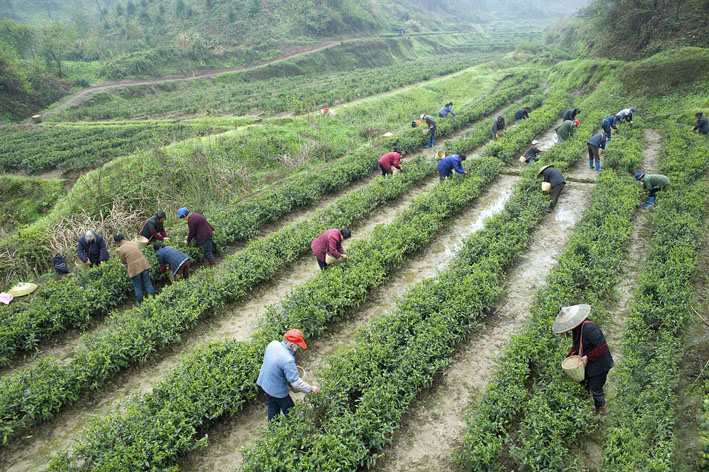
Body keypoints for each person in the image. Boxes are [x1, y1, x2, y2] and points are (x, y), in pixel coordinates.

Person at [552, 304, 614, 415]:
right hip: (591, 364)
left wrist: (587, 357)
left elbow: (603, 347)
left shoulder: (589, 328)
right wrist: (570, 355)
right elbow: (577, 345)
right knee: (585, 384)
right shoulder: (576, 329)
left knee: (596, 388)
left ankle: (602, 413)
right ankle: (589, 410)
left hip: (600, 364)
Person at [256, 329, 321, 422]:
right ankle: (295, 430)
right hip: (276, 389)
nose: (298, 347)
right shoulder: (288, 359)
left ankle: (273, 430)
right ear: (291, 345)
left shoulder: (273, 344)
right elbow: (296, 383)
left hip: (265, 384)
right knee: (291, 411)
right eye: (297, 345)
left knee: (273, 408)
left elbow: (273, 362)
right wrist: (311, 388)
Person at [114, 233, 155, 304]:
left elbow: (124, 262)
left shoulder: (120, 250)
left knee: (138, 288)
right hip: (144, 265)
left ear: (117, 242)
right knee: (148, 284)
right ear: (124, 238)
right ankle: (153, 300)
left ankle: (141, 304)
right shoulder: (133, 243)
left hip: (134, 269)